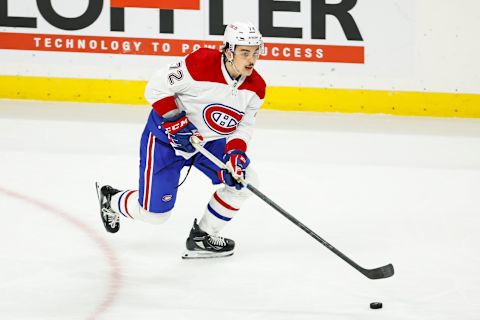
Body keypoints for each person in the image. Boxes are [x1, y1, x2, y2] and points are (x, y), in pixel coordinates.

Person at [95, 22, 266, 259]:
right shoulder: (201, 64)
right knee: (155, 215)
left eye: (256, 52)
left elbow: (243, 126)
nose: (252, 59)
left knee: (245, 181)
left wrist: (236, 154)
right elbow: (155, 89)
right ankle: (112, 199)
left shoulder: (256, 87)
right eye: (244, 52)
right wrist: (177, 122)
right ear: (228, 51)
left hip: (209, 143)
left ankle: (202, 237)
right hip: (165, 140)